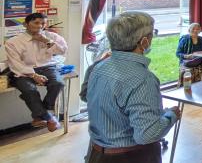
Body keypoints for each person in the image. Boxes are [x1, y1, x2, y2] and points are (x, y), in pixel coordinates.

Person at [86, 12, 181, 163]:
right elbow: (147, 134)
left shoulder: (98, 67)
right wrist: (171, 115)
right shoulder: (142, 79)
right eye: (152, 34)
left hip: (96, 153)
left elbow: (86, 96)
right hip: (131, 156)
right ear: (144, 42)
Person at [5, 12, 67, 132]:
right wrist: (33, 75)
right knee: (29, 90)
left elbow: (63, 51)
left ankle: (42, 113)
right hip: (23, 71)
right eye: (36, 23)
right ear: (26, 24)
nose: (39, 26)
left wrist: (46, 41)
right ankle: (49, 118)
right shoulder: (13, 42)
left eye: (43, 23)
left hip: (47, 67)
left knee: (58, 83)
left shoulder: (51, 36)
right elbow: (15, 64)